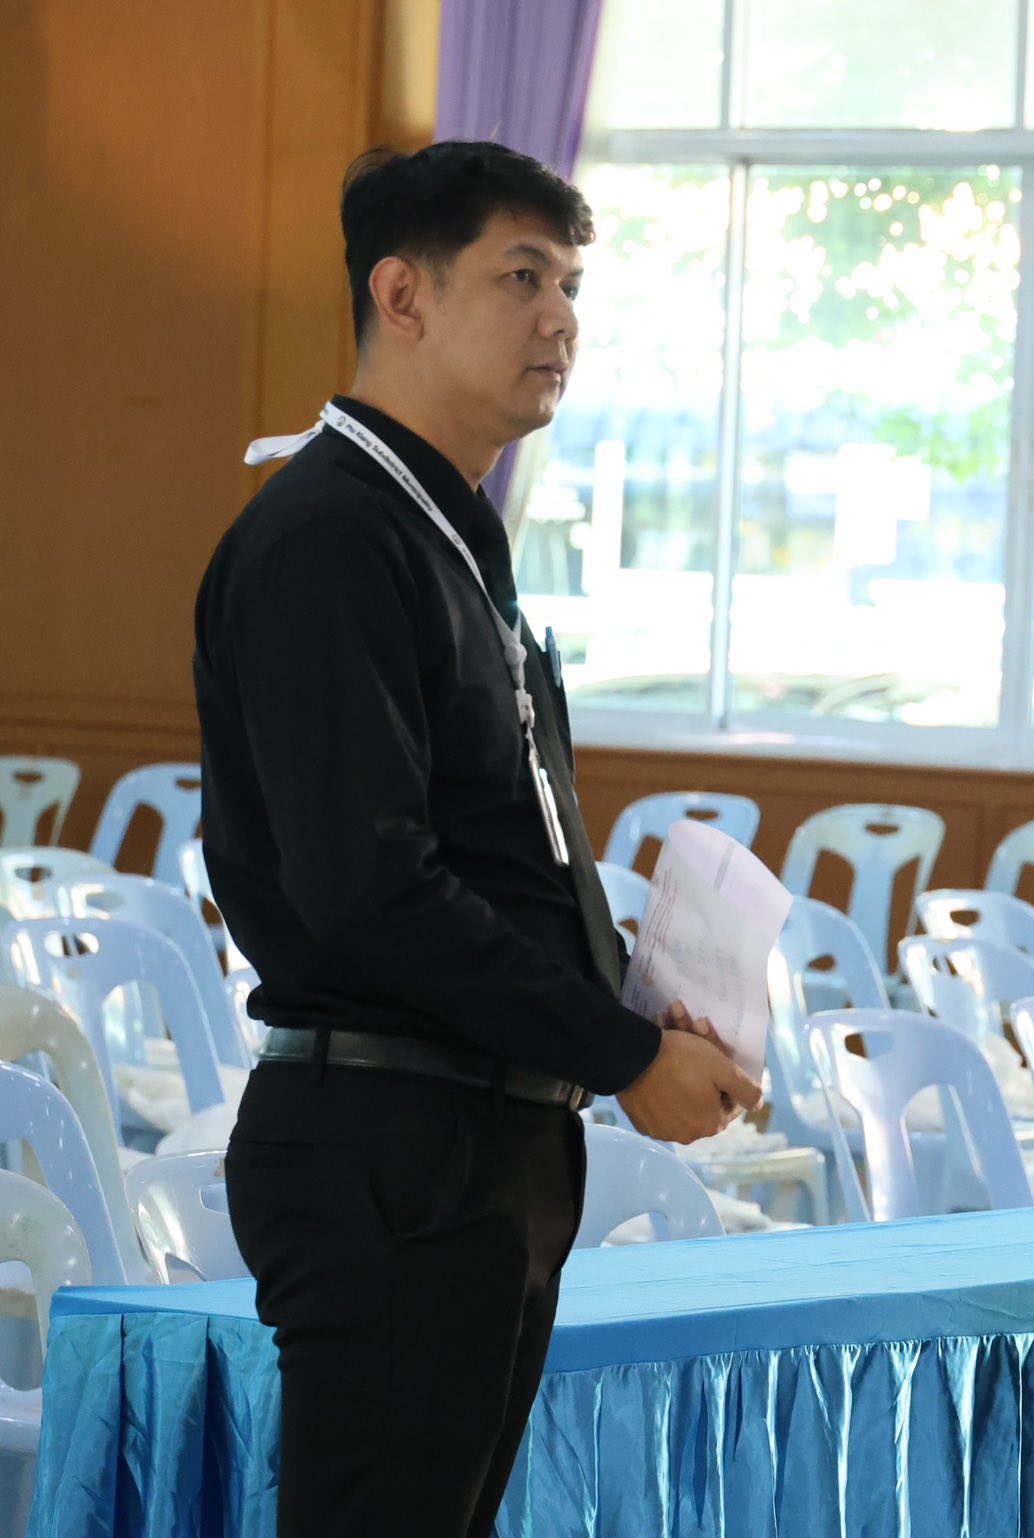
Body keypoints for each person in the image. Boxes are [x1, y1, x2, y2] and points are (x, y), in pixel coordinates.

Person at [194, 141, 762, 1538]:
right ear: (402, 294)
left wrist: (630, 1006)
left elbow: (505, 851)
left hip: (483, 1136)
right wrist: (620, 1051)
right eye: (521, 278)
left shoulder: (444, 531)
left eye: (570, 284)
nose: (560, 317)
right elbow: (369, 888)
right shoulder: (331, 535)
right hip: (391, 1143)